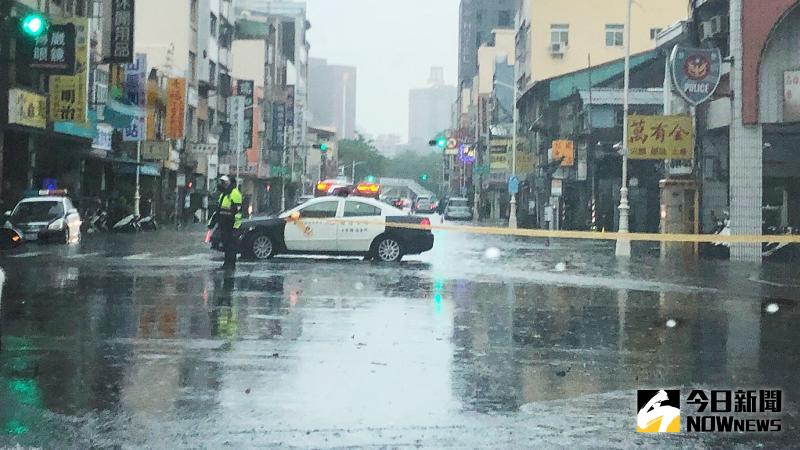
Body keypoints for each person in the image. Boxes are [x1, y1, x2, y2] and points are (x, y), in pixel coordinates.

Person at [209, 175, 243, 270]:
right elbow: (218, 210)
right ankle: (226, 264)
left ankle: (231, 265)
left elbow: (238, 213)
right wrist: (212, 222)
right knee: (225, 244)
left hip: (232, 224)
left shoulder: (235, 194)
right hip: (223, 224)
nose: (221, 185)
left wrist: (236, 227)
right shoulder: (223, 194)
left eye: (223, 183)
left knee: (231, 246)